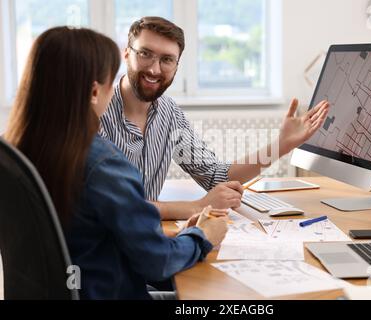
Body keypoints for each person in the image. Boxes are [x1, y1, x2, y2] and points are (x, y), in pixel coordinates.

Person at [5, 26, 228, 300]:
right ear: (95, 92)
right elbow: (157, 263)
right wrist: (202, 237)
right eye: (112, 82)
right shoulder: (103, 165)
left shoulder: (14, 148)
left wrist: (182, 236)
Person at [100, 16, 330, 220]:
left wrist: (281, 145)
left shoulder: (169, 113)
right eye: (145, 54)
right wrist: (195, 207)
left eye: (167, 59)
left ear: (177, 65)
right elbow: (110, 205)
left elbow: (216, 177)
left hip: (142, 237)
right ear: (127, 53)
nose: (154, 69)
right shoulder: (96, 112)